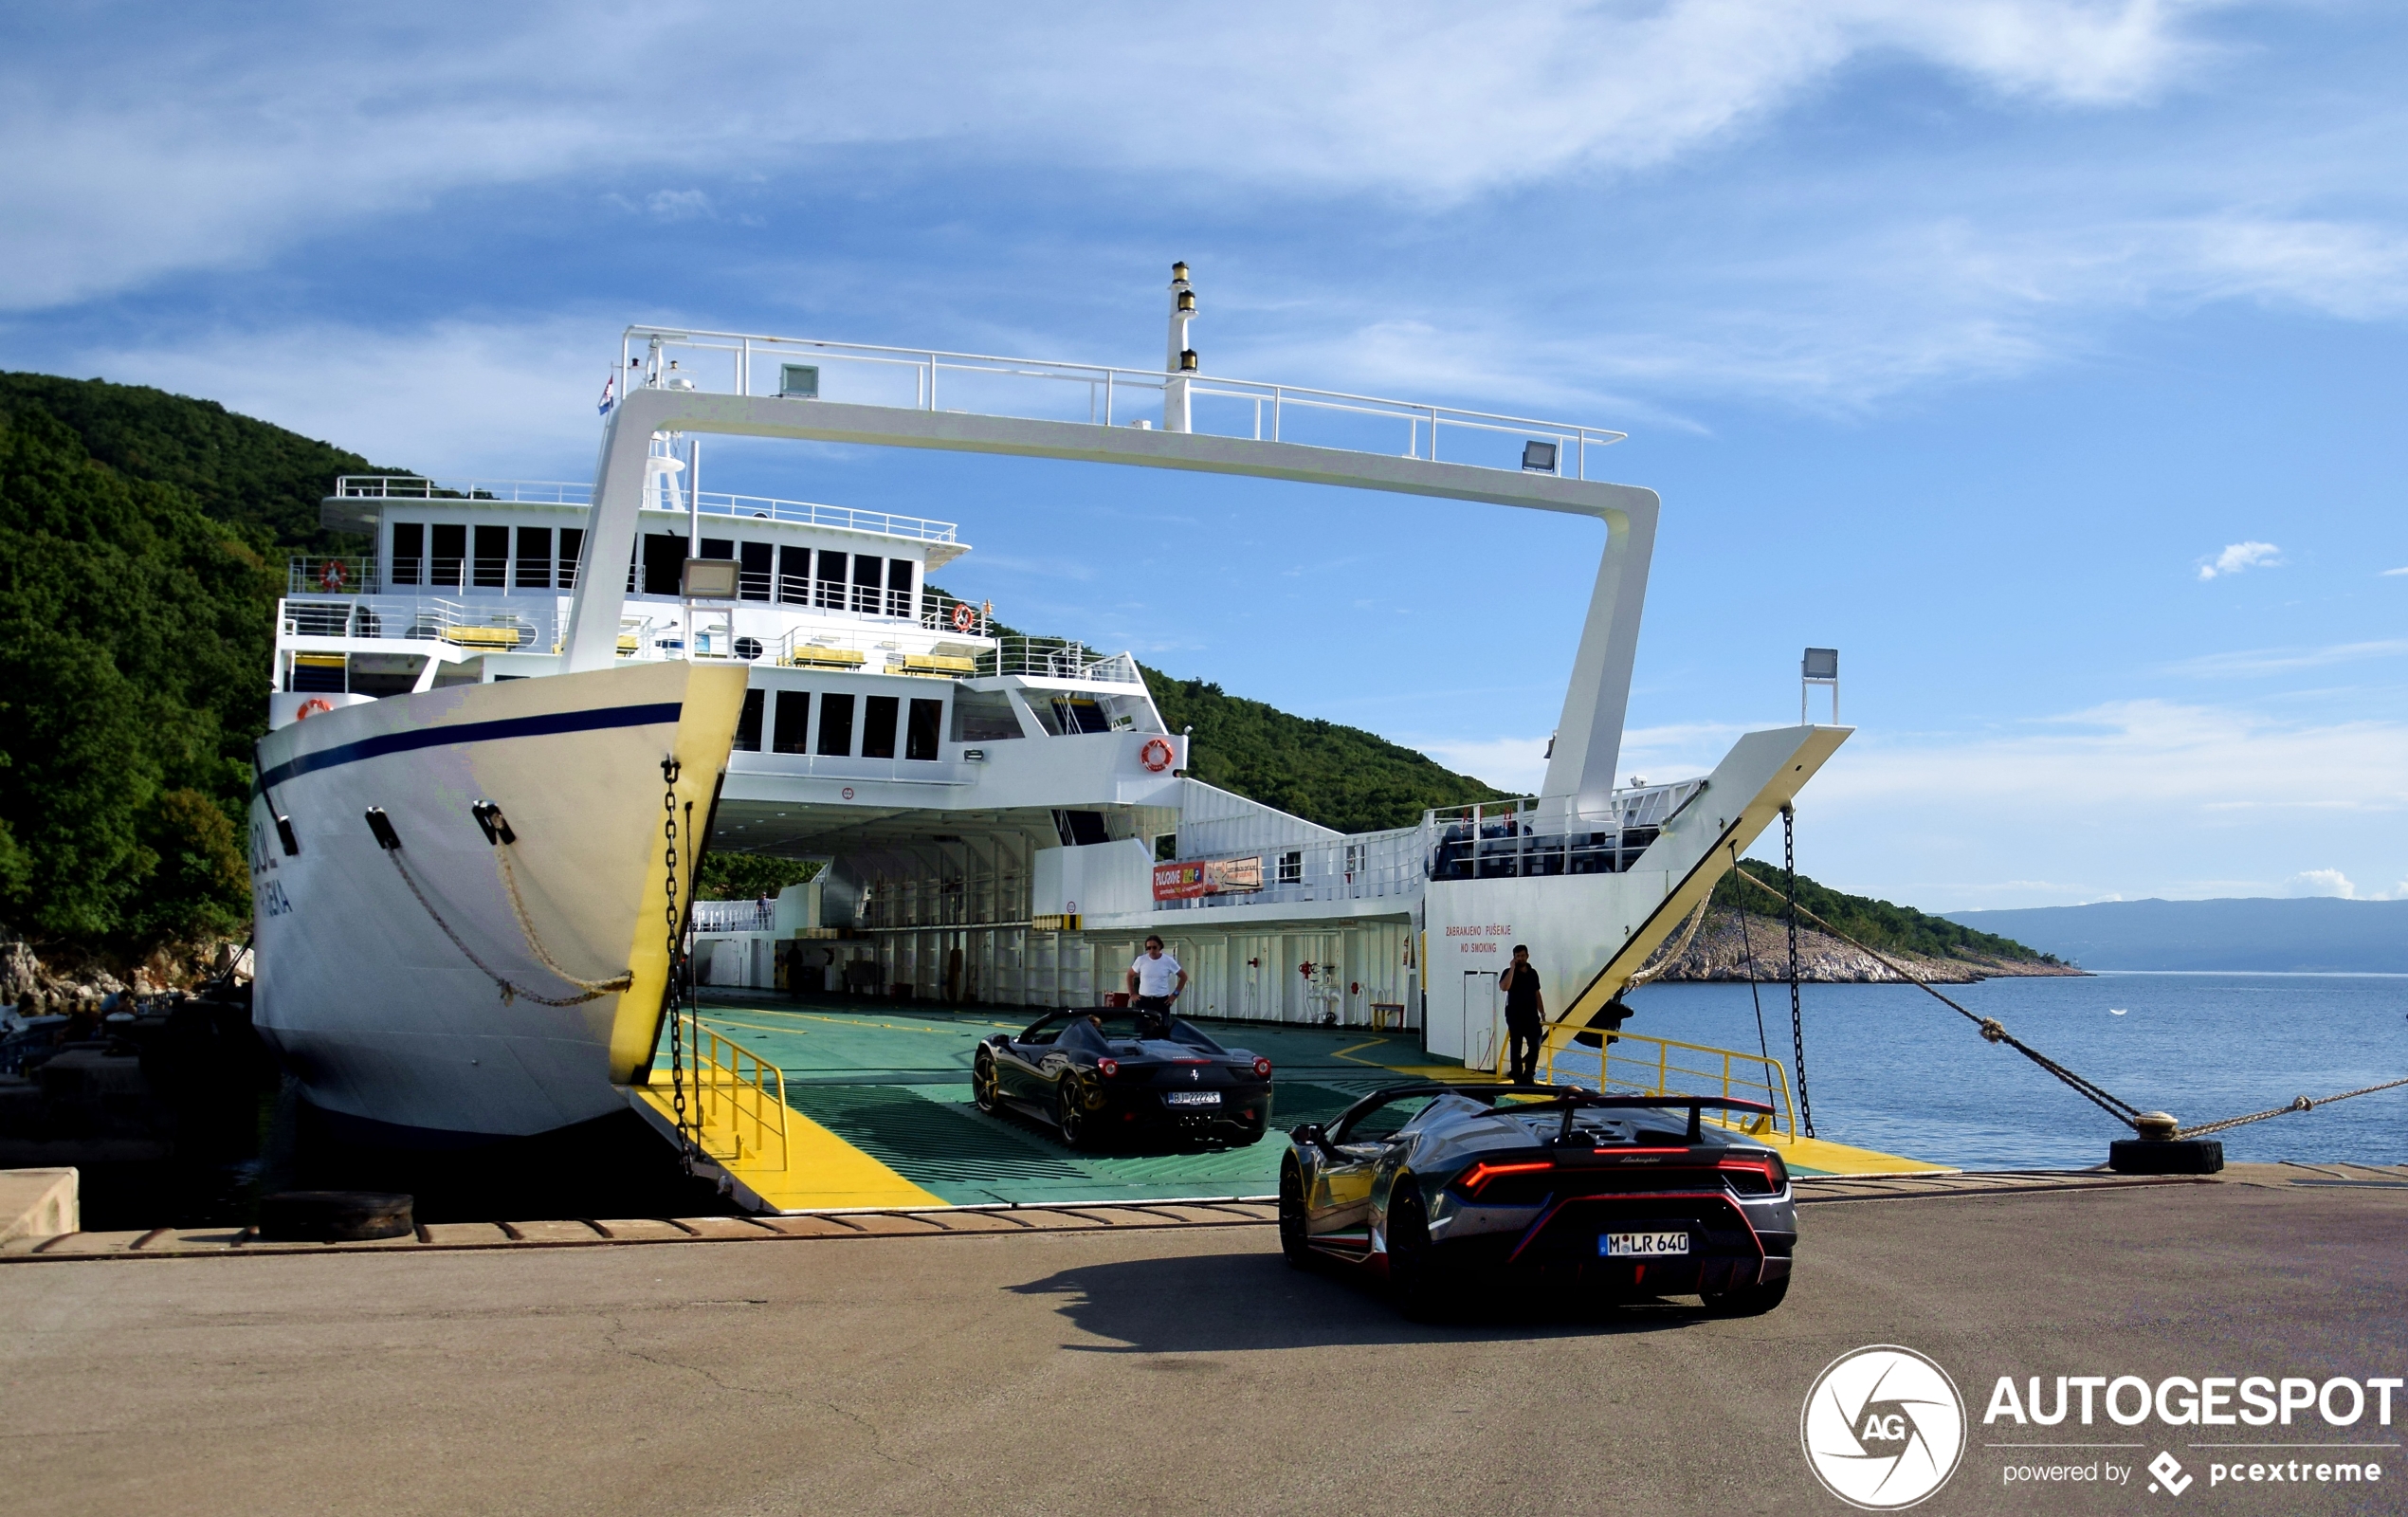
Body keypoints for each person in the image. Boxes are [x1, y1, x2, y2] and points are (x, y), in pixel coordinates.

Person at [1501, 943, 1545, 1084]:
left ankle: (1529, 1073)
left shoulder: (1533, 973)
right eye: (1517, 956)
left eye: (1522, 956)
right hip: (1515, 1015)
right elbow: (1504, 987)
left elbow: (1537, 993)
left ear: (1527, 956)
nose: (1520, 958)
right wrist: (1512, 968)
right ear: (1514, 958)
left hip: (1531, 1015)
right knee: (1516, 1046)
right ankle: (1517, 1073)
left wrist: (1542, 1012)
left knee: (1535, 1045)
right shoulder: (1508, 972)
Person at [1126, 935, 1186, 1036]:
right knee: (1141, 1030)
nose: (1151, 950)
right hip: (1144, 1000)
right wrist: (1132, 994)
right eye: (1148, 948)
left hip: (1161, 1001)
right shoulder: (1141, 960)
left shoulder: (1168, 961)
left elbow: (1183, 977)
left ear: (1160, 947)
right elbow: (1129, 975)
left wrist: (1174, 995)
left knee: (1162, 1030)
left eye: (1154, 947)